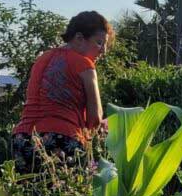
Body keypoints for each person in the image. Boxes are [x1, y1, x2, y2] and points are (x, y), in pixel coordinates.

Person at [13, 11, 111, 173]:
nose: (103, 51)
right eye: (99, 43)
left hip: (22, 138)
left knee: (27, 195)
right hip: (61, 139)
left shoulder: (42, 58)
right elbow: (94, 119)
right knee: (68, 195)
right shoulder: (84, 65)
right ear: (79, 38)